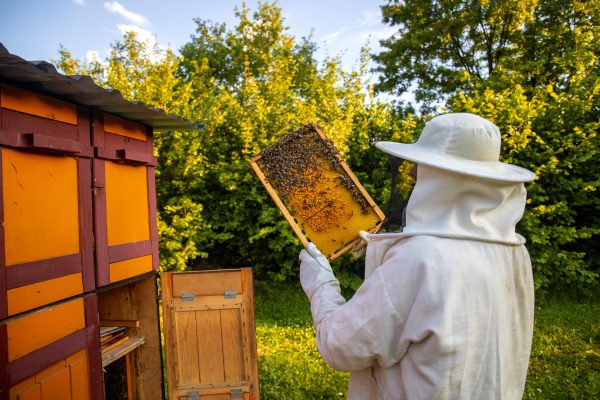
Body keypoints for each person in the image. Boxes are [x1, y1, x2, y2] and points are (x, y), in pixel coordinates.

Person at [299, 113, 536, 399]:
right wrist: (380, 250)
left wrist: (320, 284)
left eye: (420, 167)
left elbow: (341, 346)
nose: (412, 175)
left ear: (441, 177)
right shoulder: (515, 253)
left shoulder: (419, 259)